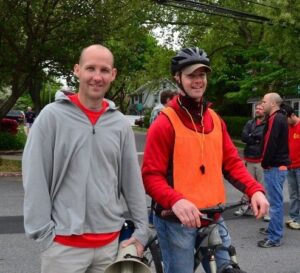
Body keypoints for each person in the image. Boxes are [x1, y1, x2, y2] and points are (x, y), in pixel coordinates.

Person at [22, 44, 149, 273]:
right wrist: (44, 231)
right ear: (77, 70)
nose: (97, 77)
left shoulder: (120, 124)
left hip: (110, 246)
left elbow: (131, 180)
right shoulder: (52, 117)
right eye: (91, 68)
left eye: (104, 70)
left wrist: (142, 230)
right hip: (63, 247)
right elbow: (35, 176)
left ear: (113, 74)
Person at [142, 46, 269, 273]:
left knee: (229, 268)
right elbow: (151, 176)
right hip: (176, 221)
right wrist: (175, 200)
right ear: (178, 78)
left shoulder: (215, 119)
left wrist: (254, 190)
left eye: (202, 75)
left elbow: (231, 163)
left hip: (212, 216)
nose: (198, 80)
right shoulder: (164, 122)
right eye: (191, 75)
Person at [258, 92, 290, 248]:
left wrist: (264, 163)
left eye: (264, 101)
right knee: (274, 202)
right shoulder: (279, 117)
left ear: (273, 104)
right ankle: (273, 229)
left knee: (275, 204)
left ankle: (274, 237)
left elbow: (270, 144)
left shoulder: (275, 119)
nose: (261, 104)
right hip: (278, 165)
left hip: (275, 166)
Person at [234, 102, 268, 219]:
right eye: (256, 108)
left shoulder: (267, 124)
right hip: (249, 158)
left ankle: (265, 211)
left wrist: (252, 136)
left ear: (265, 111)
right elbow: (244, 137)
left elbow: (263, 138)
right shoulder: (250, 122)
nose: (257, 110)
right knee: (247, 185)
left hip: (261, 160)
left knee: (262, 186)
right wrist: (255, 139)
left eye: (260, 108)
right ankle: (244, 207)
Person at [280, 104, 300, 230]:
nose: (285, 123)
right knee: (293, 194)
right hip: (291, 166)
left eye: (286, 119)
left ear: (292, 115)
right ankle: (295, 217)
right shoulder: (288, 128)